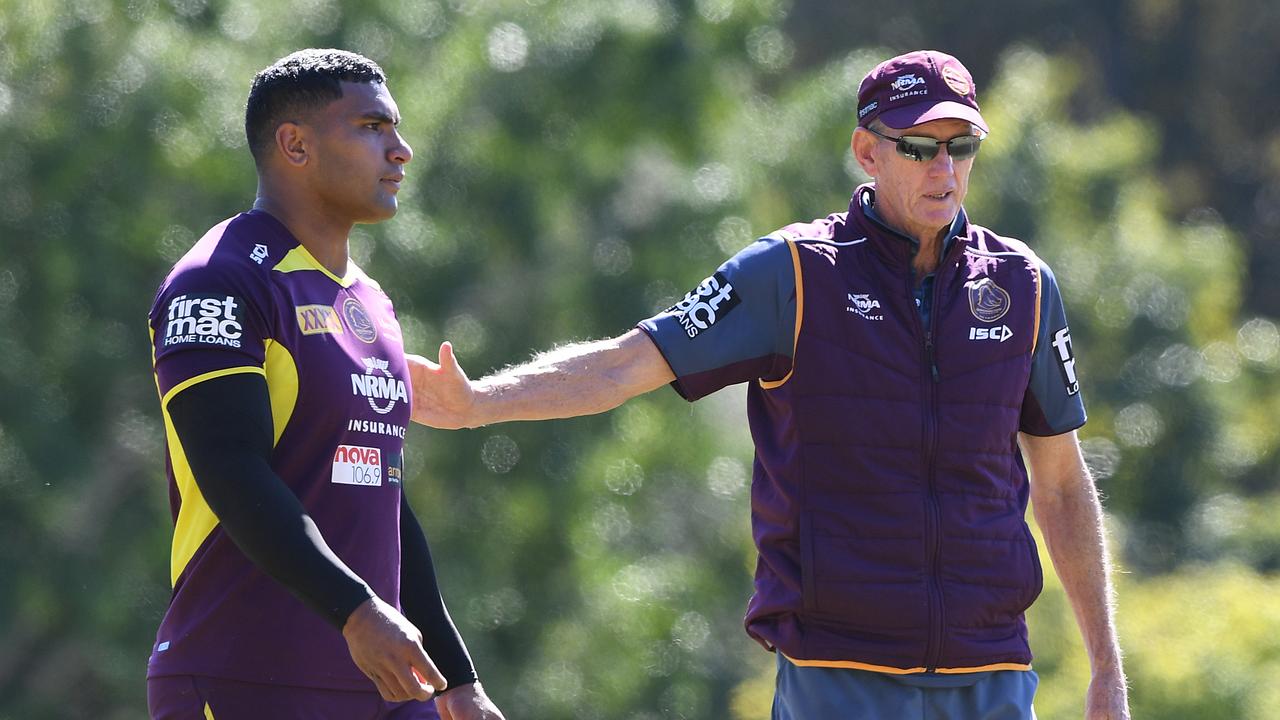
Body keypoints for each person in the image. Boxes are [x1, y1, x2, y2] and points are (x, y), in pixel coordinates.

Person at [407, 50, 1129, 719]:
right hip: (839, 675)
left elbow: (1062, 485)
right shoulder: (792, 273)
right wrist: (478, 403)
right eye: (917, 147)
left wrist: (1105, 666)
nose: (942, 168)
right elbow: (627, 362)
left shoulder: (1024, 286)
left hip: (992, 673)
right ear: (867, 151)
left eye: (960, 147)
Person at [145, 49, 504, 720]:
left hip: (388, 684)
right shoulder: (218, 280)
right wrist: (356, 610)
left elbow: (382, 497)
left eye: (395, 128)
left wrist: (457, 678)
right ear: (295, 145)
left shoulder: (369, 301)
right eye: (372, 127)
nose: (401, 151)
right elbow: (230, 469)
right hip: (249, 679)